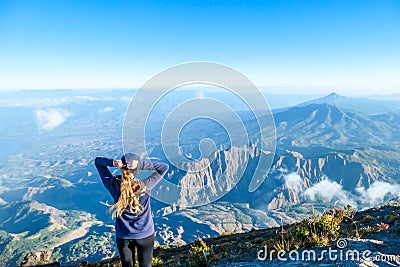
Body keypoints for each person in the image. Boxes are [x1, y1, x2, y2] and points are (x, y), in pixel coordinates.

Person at [95, 153, 169, 267]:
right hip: (145, 235)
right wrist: (141, 164)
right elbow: (164, 167)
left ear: (121, 168)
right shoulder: (145, 186)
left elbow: (98, 162)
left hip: (124, 236)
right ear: (136, 169)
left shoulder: (113, 185)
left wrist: (111, 162)